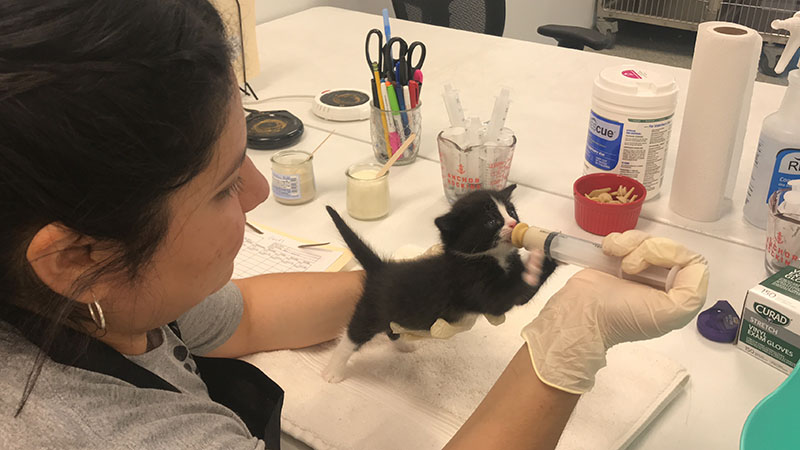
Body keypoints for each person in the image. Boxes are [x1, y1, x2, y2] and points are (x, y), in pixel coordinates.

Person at [0, 1, 709, 449]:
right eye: (222, 186)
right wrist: (570, 339)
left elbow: (238, 317)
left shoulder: (107, 299)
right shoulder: (95, 432)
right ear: (79, 257)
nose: (254, 192)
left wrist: (439, 281)